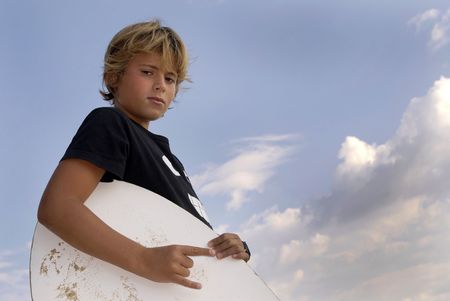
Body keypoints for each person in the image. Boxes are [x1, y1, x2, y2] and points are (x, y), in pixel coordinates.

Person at [37, 19, 250, 290]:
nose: (161, 84)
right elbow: (57, 207)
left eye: (170, 78)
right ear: (113, 77)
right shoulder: (110, 124)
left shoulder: (172, 161)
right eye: (148, 72)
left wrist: (230, 250)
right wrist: (144, 259)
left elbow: (175, 232)